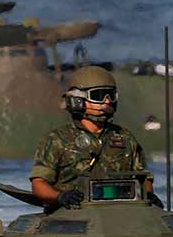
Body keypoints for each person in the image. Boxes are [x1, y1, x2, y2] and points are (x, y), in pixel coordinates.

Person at [29, 66, 154, 209]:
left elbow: (144, 179)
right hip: (72, 213)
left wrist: (148, 195)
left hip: (120, 212)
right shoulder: (57, 139)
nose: (107, 102)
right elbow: (39, 184)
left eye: (110, 95)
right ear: (77, 100)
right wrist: (60, 196)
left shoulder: (125, 138)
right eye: (99, 96)